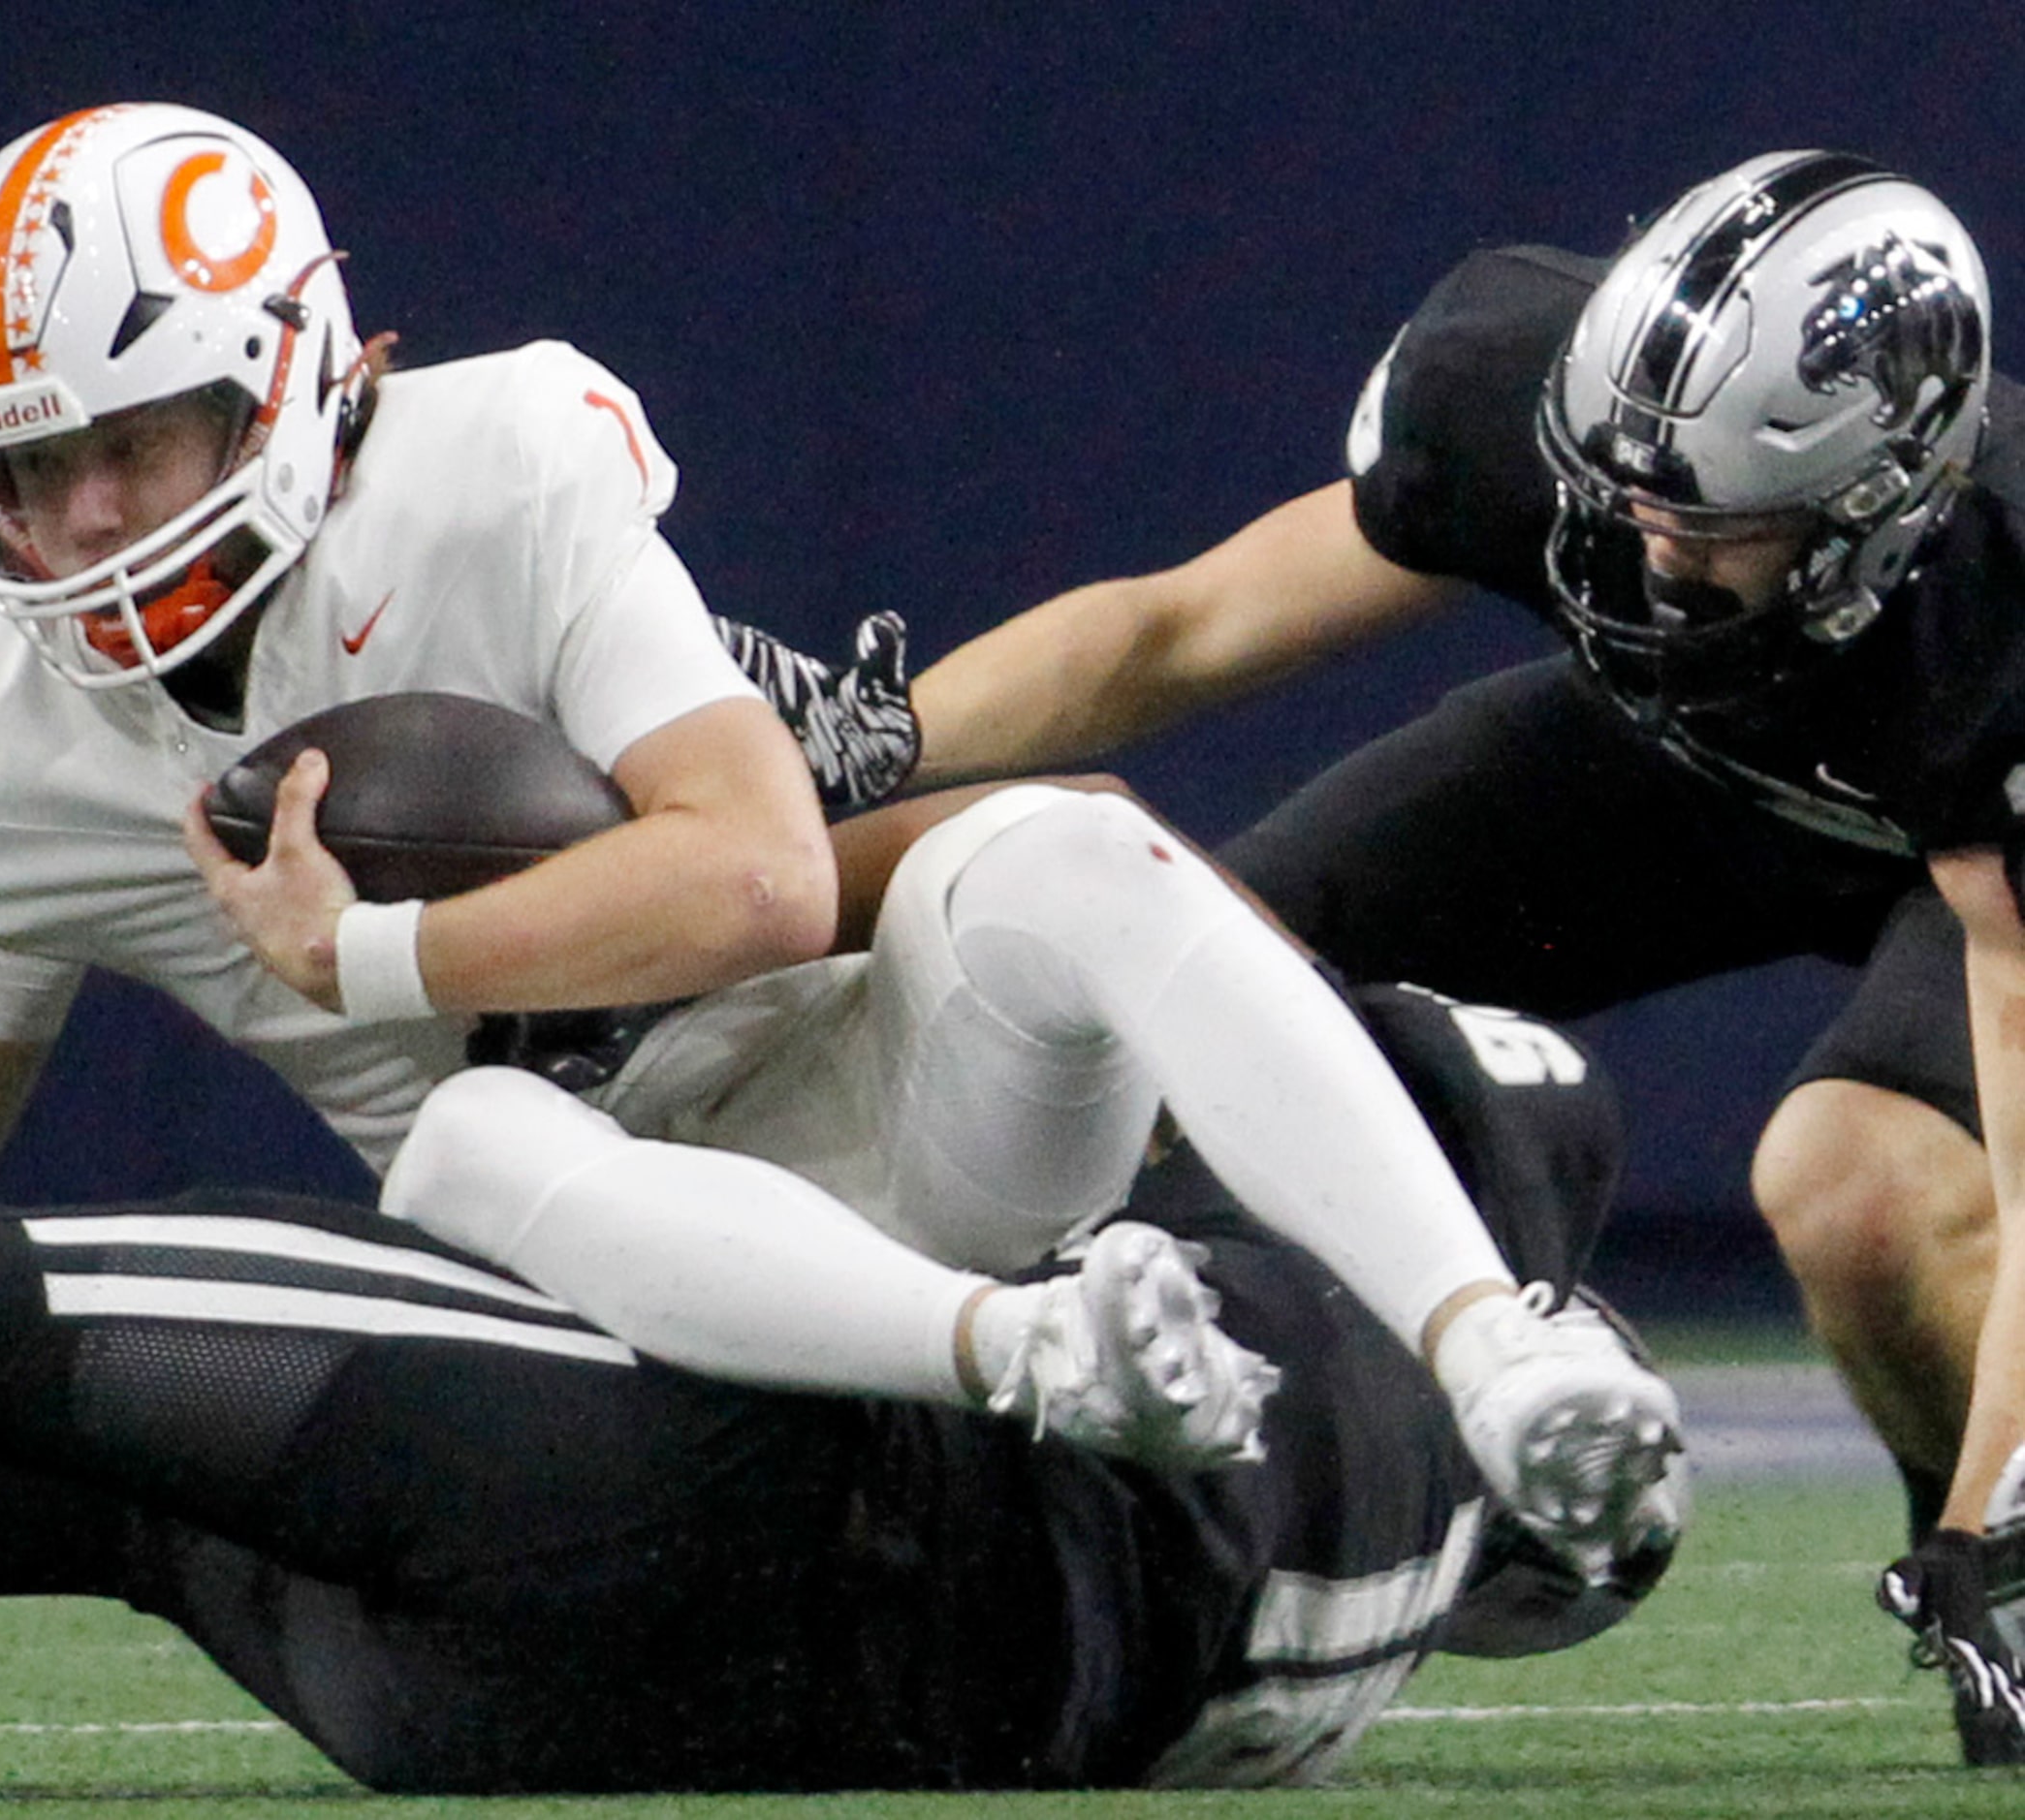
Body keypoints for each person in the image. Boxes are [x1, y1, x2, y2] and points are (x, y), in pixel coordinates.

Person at [0, 99, 1680, 1598]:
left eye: (130, 442)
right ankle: (1045, 1359)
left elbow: (758, 884)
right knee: (466, 1142)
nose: (83, 520)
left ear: (288, 373)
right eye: (23, 474)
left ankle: (1492, 1358)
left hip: (858, 1088)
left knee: (1071, 852)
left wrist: (365, 962)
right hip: (593, 1289)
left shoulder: (501, 460)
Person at [744, 148, 2025, 1760]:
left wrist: (1991, 1508)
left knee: (1857, 1189)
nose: (1640, 555)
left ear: (1876, 504)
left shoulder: (1999, 619)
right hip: (1690, 766)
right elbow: (1179, 627)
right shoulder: (1535, 409)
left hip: (1960, 850)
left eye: (1706, 526)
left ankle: (1990, 1564)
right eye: (1620, 497)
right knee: (1184, 994)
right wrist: (884, 737)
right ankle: (935, 1476)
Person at [0, 986, 1683, 1787]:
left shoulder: (1333, 1240)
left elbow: (1122, 990)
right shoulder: (1441, 1526)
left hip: (794, 1495)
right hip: (761, 1699)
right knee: (143, 1490)